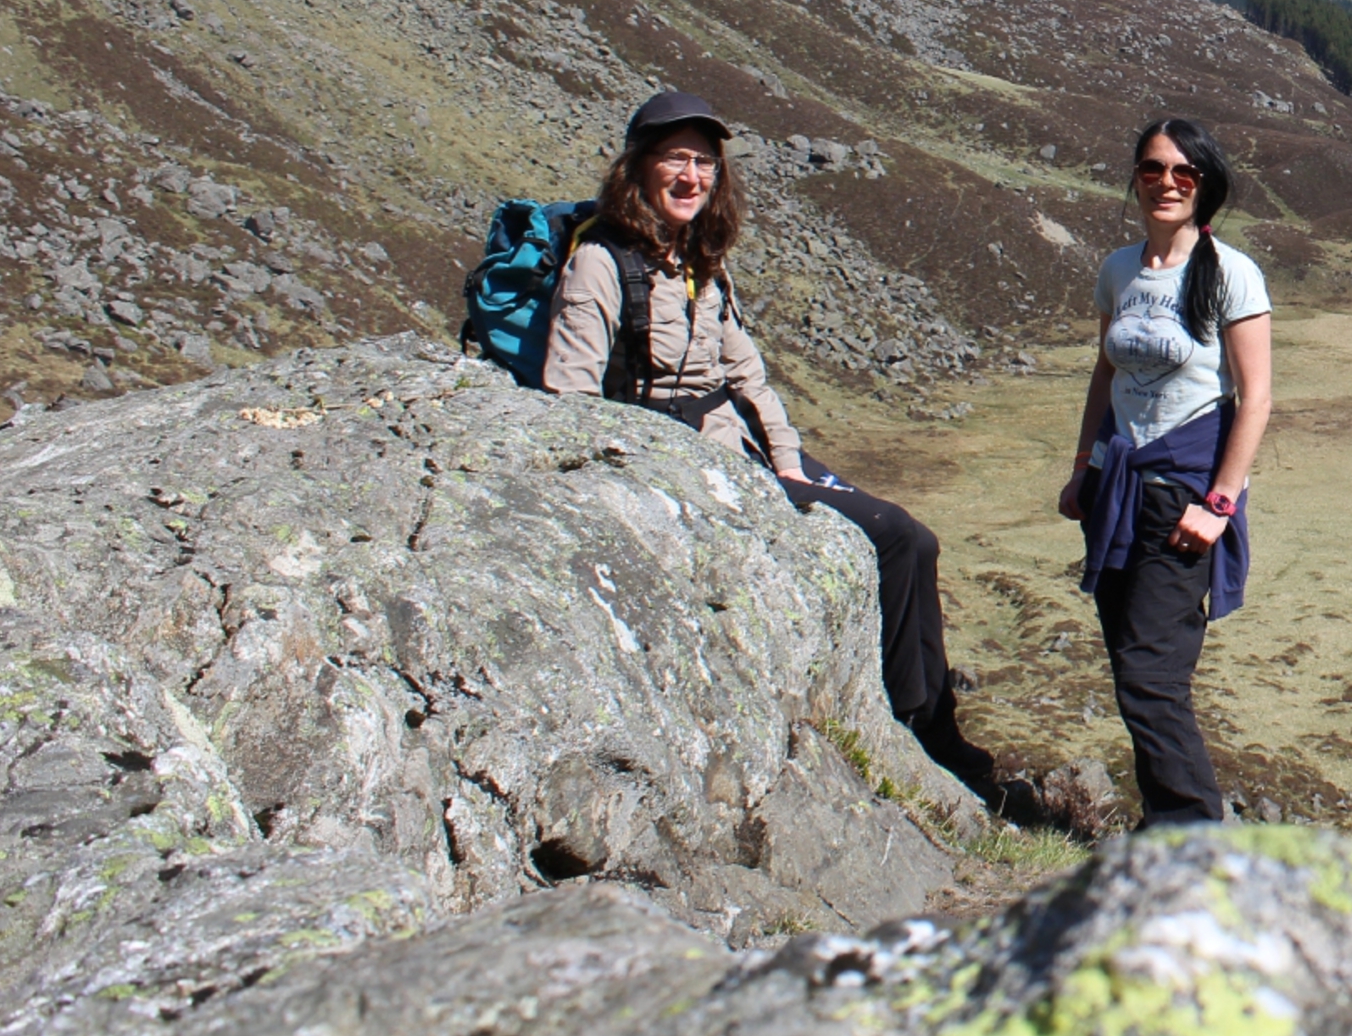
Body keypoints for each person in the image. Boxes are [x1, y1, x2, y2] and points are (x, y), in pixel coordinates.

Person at [543, 89, 1003, 807]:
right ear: (638, 168)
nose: (692, 176)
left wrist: (788, 458)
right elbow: (569, 395)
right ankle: (915, 727)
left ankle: (934, 718)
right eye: (675, 160)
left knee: (916, 538)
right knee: (888, 536)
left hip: (742, 451)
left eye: (704, 162)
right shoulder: (603, 262)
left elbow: (746, 374)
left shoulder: (699, 258)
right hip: (682, 466)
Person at [1056, 117, 1273, 828]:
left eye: (1185, 173)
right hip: (1117, 486)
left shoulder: (1233, 273)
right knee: (1130, 666)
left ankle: (1192, 835)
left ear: (1205, 185)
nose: (1167, 183)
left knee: (1153, 676)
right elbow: (1105, 370)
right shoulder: (1118, 268)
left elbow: (1256, 398)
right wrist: (1084, 464)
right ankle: (1167, 822)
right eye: (1153, 169)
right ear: (1136, 178)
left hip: (1183, 491)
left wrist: (1219, 502)